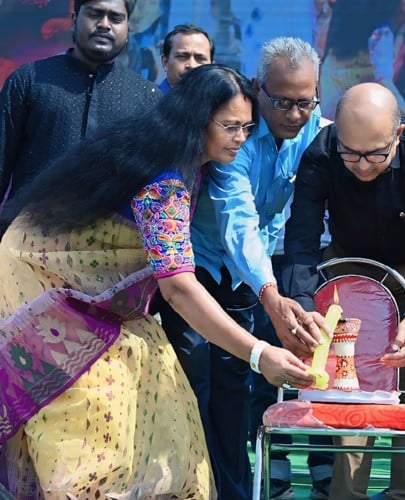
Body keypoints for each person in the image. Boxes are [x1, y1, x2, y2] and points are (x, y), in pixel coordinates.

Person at [0, 64, 318, 499]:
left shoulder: (198, 161)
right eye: (230, 126)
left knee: (166, 411)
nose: (241, 138)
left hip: (114, 306)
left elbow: (239, 224)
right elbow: (178, 288)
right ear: (195, 120)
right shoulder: (163, 182)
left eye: (247, 127)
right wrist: (260, 354)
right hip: (48, 293)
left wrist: (270, 295)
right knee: (90, 431)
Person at [158, 36, 333, 500]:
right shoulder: (226, 138)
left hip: (249, 278)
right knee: (194, 386)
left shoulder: (316, 126)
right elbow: (238, 222)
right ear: (258, 88)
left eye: (305, 102)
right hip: (194, 270)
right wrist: (271, 295)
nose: (295, 115)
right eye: (282, 103)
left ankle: (232, 490)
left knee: (235, 395)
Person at [281, 82, 405, 500]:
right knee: (352, 389)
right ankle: (348, 494)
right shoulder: (322, 152)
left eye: (376, 154)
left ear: (397, 134)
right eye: (351, 153)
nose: (361, 165)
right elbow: (301, 238)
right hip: (351, 273)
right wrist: (305, 306)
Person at [0, 0, 160, 217]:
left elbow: (153, 187)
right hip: (27, 241)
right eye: (95, 14)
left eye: (116, 18)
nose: (104, 24)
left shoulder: (147, 99)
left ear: (127, 27)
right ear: (74, 20)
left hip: (110, 246)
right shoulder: (29, 80)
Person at [158, 23, 214, 94]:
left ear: (212, 68)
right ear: (165, 62)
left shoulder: (221, 103)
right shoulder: (147, 102)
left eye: (200, 58)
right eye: (182, 57)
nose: (192, 65)